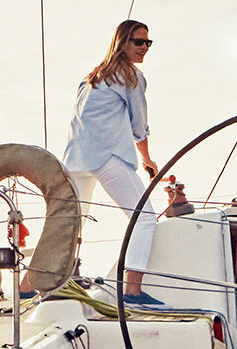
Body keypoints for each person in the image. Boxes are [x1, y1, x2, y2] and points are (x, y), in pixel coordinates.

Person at [62, 19, 163, 306]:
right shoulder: (131, 77)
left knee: (71, 224)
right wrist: (147, 160)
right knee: (144, 218)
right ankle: (132, 291)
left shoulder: (92, 77)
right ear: (123, 43)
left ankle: (34, 286)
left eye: (148, 42)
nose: (144, 48)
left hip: (75, 159)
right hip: (106, 155)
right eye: (138, 42)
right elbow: (138, 126)